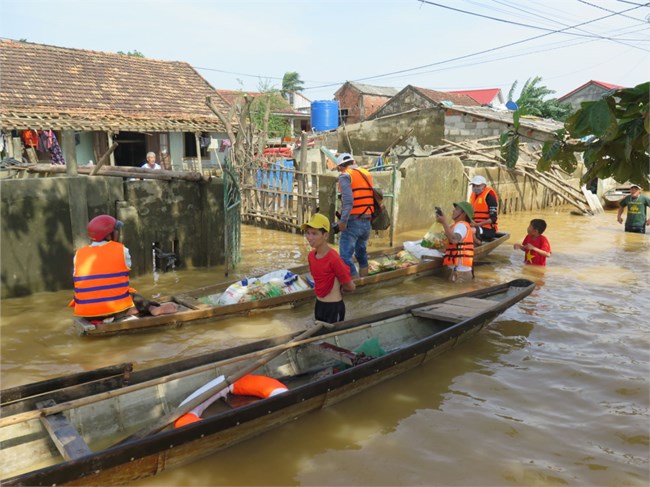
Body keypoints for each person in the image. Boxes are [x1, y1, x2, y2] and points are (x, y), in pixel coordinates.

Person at [72, 215, 177, 322]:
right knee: (132, 296)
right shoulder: (122, 250)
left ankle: (119, 312)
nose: (118, 233)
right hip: (112, 308)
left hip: (86, 313)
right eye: (116, 230)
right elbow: (126, 267)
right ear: (109, 235)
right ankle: (152, 308)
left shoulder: (79, 254)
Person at [302, 213, 355, 324]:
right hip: (319, 305)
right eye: (308, 233)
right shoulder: (311, 256)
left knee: (331, 339)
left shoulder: (334, 258)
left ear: (325, 236)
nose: (309, 237)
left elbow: (350, 286)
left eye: (314, 234)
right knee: (320, 339)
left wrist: (341, 289)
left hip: (334, 308)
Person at [335, 152, 374, 277]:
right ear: (353, 163)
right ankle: (364, 281)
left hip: (353, 221)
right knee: (361, 254)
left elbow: (348, 202)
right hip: (367, 221)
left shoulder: (345, 176)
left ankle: (354, 286)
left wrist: (343, 222)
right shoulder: (366, 173)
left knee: (344, 258)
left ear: (341, 167)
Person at [435, 202, 475, 283]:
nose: (453, 211)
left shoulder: (462, 226)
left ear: (463, 214)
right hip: (455, 270)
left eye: (457, 210)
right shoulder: (455, 226)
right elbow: (448, 246)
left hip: (460, 273)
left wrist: (444, 222)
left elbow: (454, 240)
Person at [469, 175, 499, 241]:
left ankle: (475, 244)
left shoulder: (490, 198)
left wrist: (478, 224)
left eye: (478, 186)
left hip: (488, 230)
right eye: (473, 186)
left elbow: (493, 219)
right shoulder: (473, 197)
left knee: (471, 231)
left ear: (484, 186)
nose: (475, 188)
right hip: (475, 226)